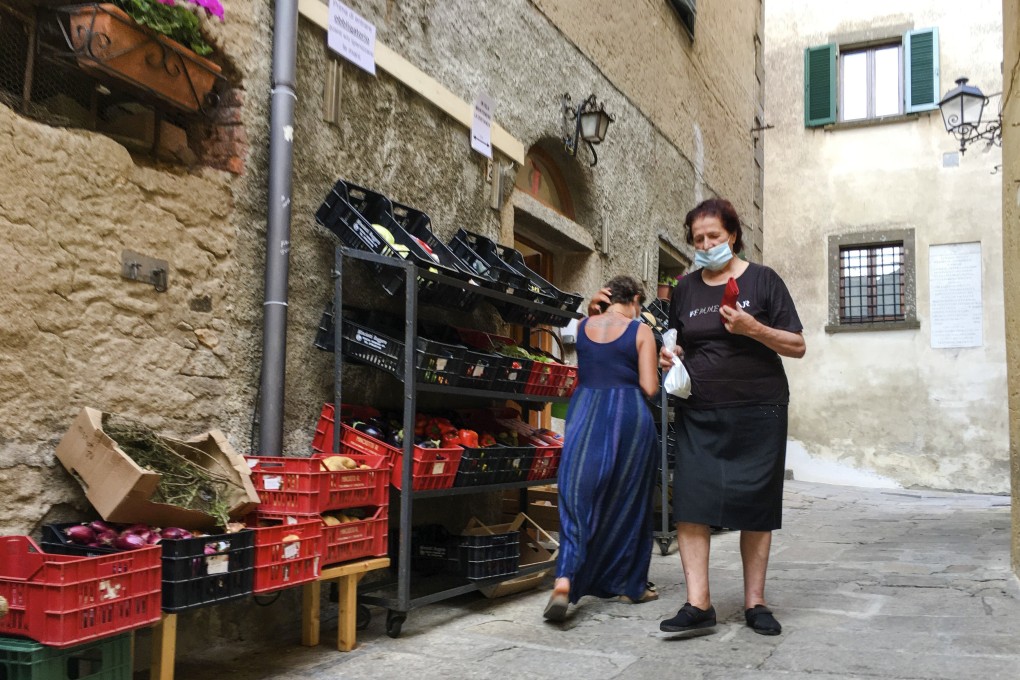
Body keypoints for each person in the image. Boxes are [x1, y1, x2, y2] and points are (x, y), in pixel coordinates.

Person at [588, 198, 805, 636]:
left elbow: (797, 345)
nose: (706, 245)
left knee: (755, 508)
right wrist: (672, 356)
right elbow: (681, 341)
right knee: (691, 504)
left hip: (759, 409)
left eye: (714, 237)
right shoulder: (685, 289)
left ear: (733, 236)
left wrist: (753, 328)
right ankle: (698, 603)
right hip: (699, 411)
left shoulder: (764, 281)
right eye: (699, 239)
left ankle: (755, 603)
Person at [543, 275, 661, 622]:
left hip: (586, 413)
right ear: (636, 299)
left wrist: (592, 309)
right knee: (630, 500)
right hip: (628, 416)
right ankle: (631, 585)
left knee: (577, 496)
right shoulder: (641, 332)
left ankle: (564, 580)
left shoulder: (582, 326)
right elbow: (649, 387)